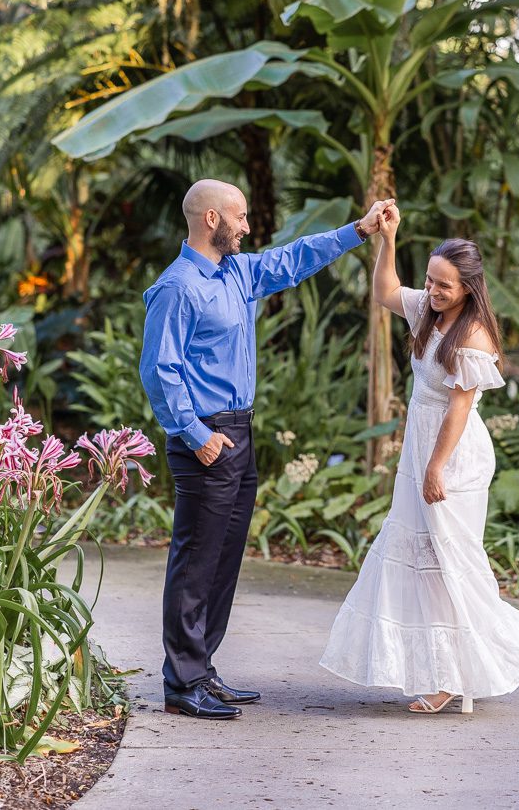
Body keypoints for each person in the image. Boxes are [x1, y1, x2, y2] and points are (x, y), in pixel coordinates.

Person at [140, 179, 393, 720]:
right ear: (211, 219)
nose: (248, 226)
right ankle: (181, 683)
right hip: (205, 435)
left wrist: (360, 229)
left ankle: (202, 669)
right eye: (241, 217)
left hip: (238, 431)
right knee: (195, 559)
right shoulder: (178, 287)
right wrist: (196, 434)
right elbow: (160, 373)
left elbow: (292, 259)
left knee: (223, 560)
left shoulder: (237, 272)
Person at [320, 203, 519, 714]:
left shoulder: (473, 334)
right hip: (421, 443)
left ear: (469, 287)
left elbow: (459, 411)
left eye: (445, 285)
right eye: (431, 281)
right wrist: (388, 240)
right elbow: (384, 292)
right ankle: (436, 668)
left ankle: (452, 676)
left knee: (447, 558)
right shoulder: (428, 311)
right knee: (418, 557)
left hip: (452, 453)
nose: (435, 291)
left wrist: (435, 467)